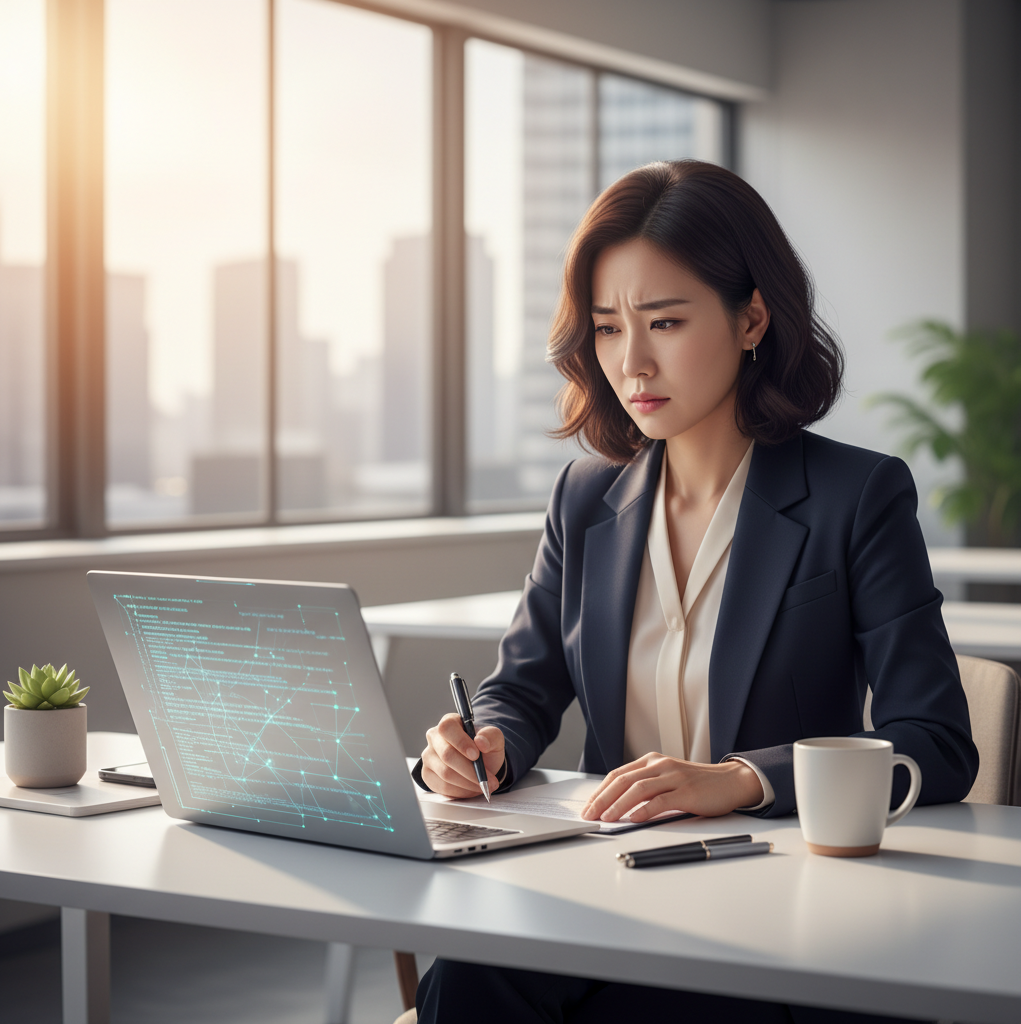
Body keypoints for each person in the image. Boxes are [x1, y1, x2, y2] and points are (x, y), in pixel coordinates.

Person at [412, 160, 979, 1023]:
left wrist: (742, 779)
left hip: (781, 905)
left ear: (752, 318)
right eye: (607, 329)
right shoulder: (585, 496)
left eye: (665, 322)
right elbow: (522, 689)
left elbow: (934, 743)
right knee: (464, 980)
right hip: (609, 883)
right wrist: (481, 744)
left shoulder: (856, 496)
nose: (631, 362)